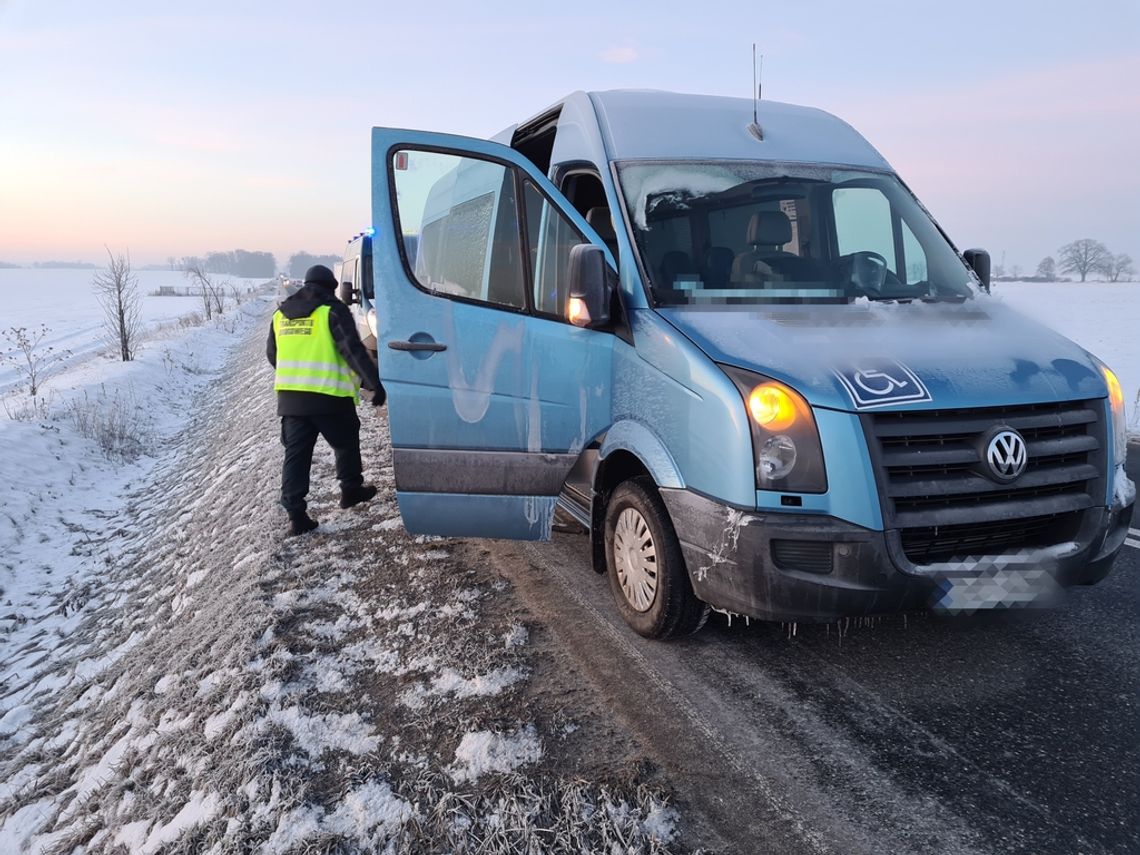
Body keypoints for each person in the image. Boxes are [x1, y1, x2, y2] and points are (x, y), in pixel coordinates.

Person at [267, 264, 386, 536]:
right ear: (330, 287)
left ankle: (296, 516)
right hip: (330, 398)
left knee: (296, 457)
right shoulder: (332, 311)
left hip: (291, 401)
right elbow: (352, 350)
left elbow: (273, 355)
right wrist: (373, 383)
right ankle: (350, 490)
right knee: (345, 444)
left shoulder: (280, 315)